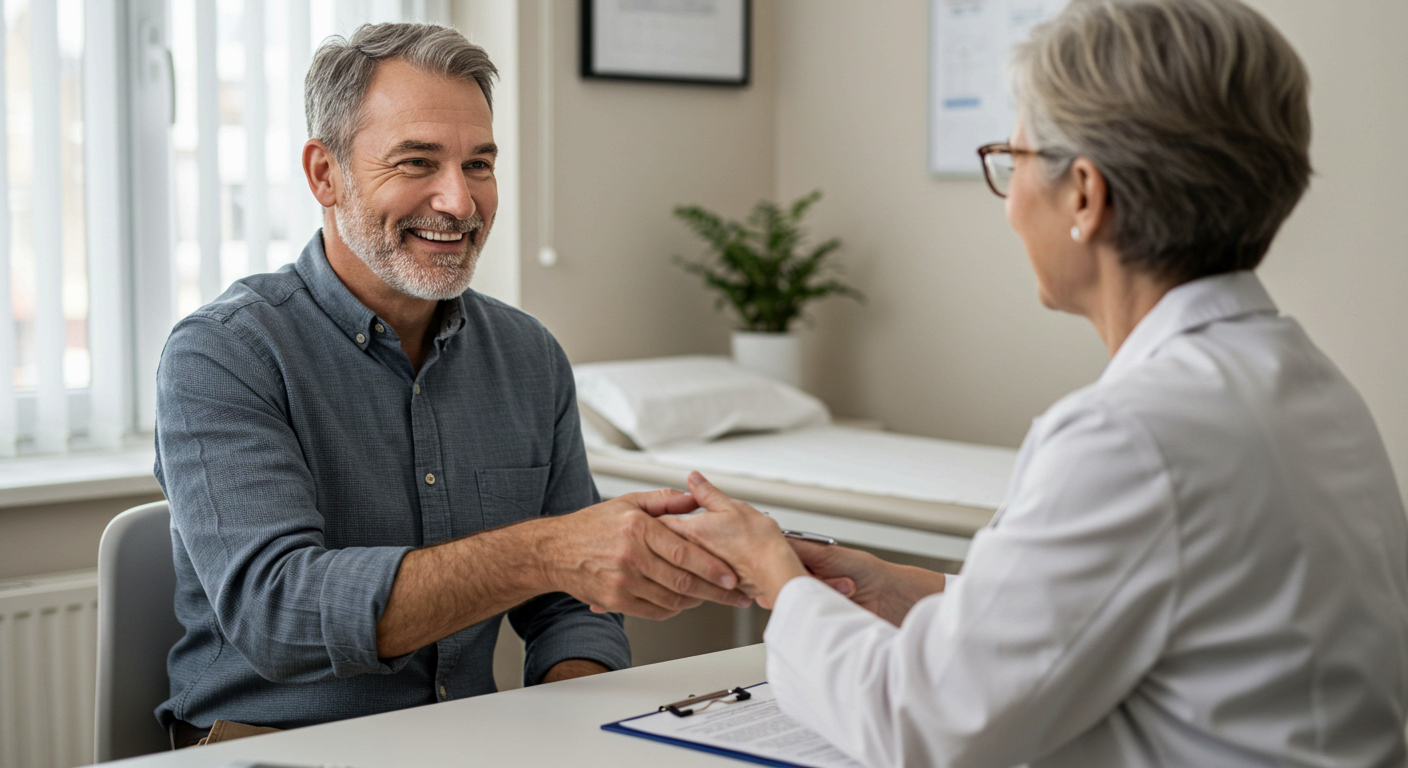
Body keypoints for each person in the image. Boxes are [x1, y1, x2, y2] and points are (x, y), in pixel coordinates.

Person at [663, 0, 1408, 765]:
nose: (1011, 203)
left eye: (1012, 160)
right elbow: (1130, 613)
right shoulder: (1308, 386)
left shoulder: (1131, 434)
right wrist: (894, 587)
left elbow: (923, 725)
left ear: (1084, 193)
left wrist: (777, 579)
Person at [153, 23, 748, 747]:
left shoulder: (529, 355)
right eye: (417, 162)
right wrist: (543, 551)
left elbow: (573, 604)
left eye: (479, 165)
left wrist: (578, 725)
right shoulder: (224, 353)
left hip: (470, 741)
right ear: (324, 174)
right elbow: (278, 615)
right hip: (268, 744)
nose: (460, 203)